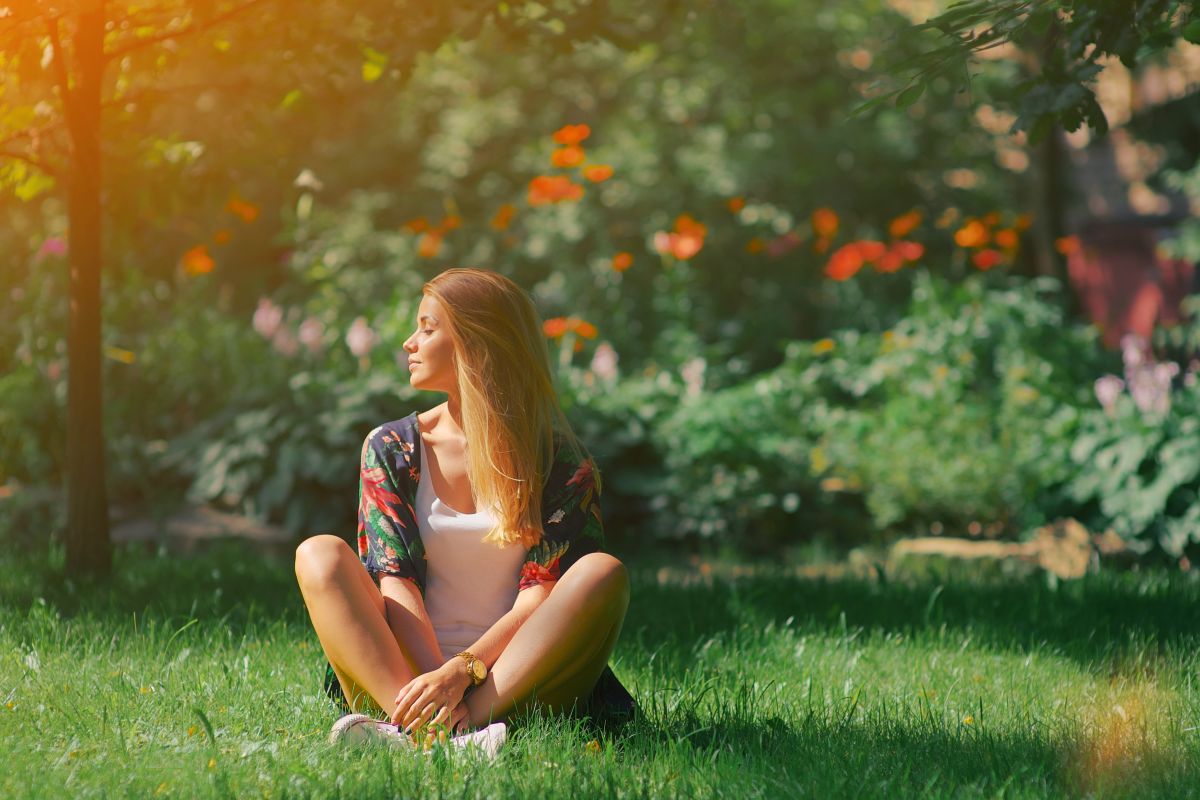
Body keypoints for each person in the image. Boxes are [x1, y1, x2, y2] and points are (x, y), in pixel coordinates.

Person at [295, 268, 633, 749]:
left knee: (602, 572)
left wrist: (464, 672)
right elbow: (396, 582)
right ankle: (427, 731)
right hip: (405, 679)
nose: (410, 343)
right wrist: (434, 686)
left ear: (479, 343)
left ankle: (451, 734)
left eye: (428, 328)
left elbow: (540, 597)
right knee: (318, 554)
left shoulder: (560, 459)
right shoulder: (392, 446)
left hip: (516, 677)